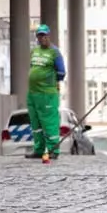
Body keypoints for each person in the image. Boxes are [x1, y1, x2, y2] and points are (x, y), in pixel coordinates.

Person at [26, 24, 66, 159]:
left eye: (44, 35)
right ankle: (38, 149)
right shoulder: (34, 51)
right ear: (36, 37)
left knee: (49, 123)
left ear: (49, 36)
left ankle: (53, 149)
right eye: (39, 35)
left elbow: (61, 72)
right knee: (36, 123)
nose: (42, 38)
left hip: (47, 94)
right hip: (33, 93)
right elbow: (32, 67)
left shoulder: (55, 52)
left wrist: (53, 82)